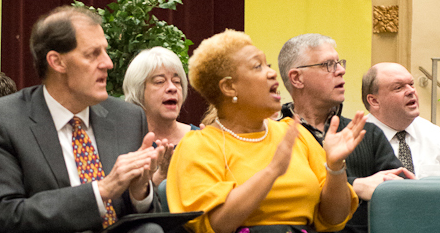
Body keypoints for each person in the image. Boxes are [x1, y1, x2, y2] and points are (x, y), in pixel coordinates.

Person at [0, 6, 166, 233]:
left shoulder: (127, 117)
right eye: (92, 54)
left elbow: (144, 217)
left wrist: (139, 190)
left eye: (105, 52)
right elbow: (8, 215)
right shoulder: (2, 120)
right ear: (57, 62)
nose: (108, 63)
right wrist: (101, 190)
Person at [168, 30, 360, 233]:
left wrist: (335, 166)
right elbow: (216, 225)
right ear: (229, 87)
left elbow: (333, 220)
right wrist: (272, 171)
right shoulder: (199, 145)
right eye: (257, 66)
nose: (272, 73)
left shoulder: (295, 134)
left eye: (267, 65)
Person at [278, 33, 414, 233]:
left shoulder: (368, 133)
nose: (341, 71)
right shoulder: (273, 135)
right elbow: (281, 197)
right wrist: (356, 185)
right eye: (328, 64)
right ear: (297, 78)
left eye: (339, 63)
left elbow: (402, 194)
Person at [123, 46, 197, 186]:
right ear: (138, 91)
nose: (172, 88)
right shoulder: (123, 144)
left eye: (177, 82)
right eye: (159, 81)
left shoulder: (200, 138)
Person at [362, 62, 440, 178]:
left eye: (411, 84)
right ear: (374, 101)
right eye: (398, 88)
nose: (411, 91)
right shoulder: (356, 141)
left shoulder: (436, 136)